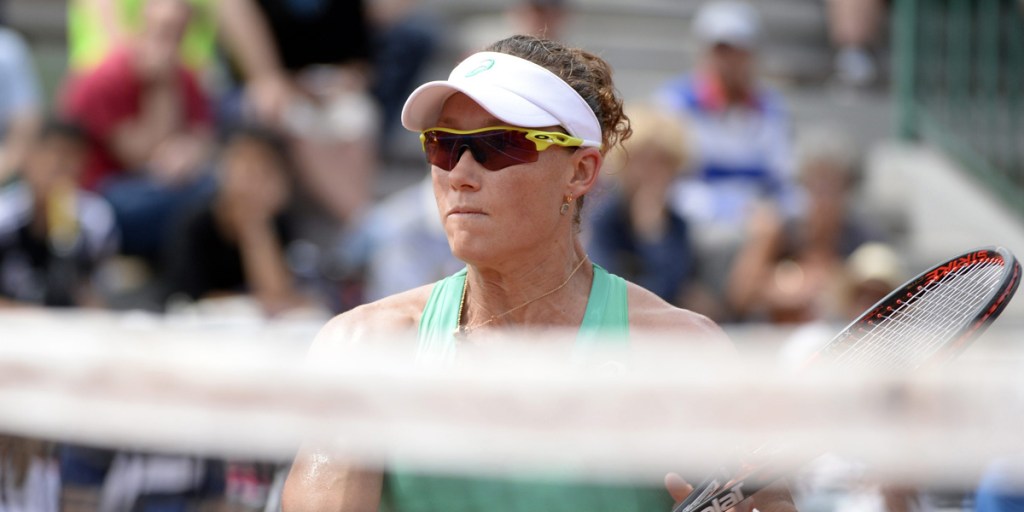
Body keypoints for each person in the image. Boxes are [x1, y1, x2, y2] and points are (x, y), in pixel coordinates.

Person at [281, 34, 795, 512]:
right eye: (441, 143)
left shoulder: (681, 355)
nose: (459, 172)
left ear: (580, 172)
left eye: (498, 144)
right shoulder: (364, 346)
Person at [655, 0, 798, 320]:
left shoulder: (772, 108)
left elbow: (783, 182)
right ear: (703, 53)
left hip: (758, 223)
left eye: (737, 50)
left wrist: (773, 216)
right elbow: (668, 187)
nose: (728, 61)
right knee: (731, 242)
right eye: (721, 50)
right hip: (697, 220)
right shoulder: (674, 103)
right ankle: (737, 317)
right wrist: (740, 213)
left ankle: (733, 317)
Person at [60, 0, 215, 263]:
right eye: (162, 32)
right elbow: (141, 157)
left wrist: (188, 154)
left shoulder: (187, 76)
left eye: (177, 34)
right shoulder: (105, 78)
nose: (168, 44)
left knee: (216, 188)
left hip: (160, 189)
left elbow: (203, 138)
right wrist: (161, 87)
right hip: (102, 196)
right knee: (200, 199)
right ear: (141, 28)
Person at [160, 124, 323, 317]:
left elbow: (280, 295)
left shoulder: (282, 224)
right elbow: (187, 299)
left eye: (262, 170)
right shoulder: (197, 225)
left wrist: (256, 226)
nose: (250, 179)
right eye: (243, 165)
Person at [585, 103, 700, 309]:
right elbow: (613, 295)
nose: (651, 172)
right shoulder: (604, 220)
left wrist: (653, 234)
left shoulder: (677, 224)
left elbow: (670, 292)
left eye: (662, 162)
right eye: (641, 161)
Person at [0, 119, 118, 308]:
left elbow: (94, 293)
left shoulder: (94, 218)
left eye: (70, 156)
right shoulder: (4, 215)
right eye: (51, 153)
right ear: (29, 159)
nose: (59, 165)